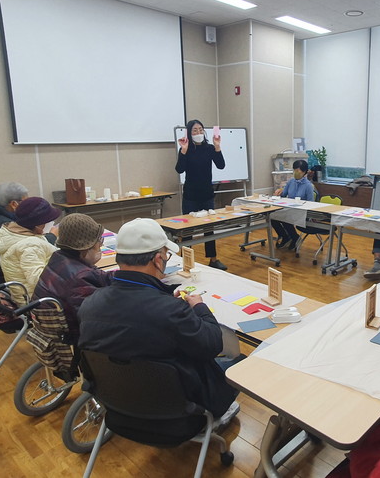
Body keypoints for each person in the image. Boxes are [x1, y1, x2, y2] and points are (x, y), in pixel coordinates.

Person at [78, 218, 239, 424]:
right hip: (177, 416)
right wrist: (199, 308)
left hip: (118, 404)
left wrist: (165, 301)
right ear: (157, 260)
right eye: (166, 256)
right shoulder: (171, 311)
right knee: (237, 362)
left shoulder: (90, 304)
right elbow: (213, 344)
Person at [33, 213, 113, 337]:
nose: (101, 245)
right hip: (72, 336)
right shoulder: (80, 277)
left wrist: (126, 275)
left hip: (50, 328)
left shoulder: (59, 258)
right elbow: (94, 318)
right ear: (86, 248)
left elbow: (97, 276)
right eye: (99, 241)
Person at [175, 119, 227, 270]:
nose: (198, 132)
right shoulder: (186, 149)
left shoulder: (209, 148)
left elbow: (221, 165)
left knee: (209, 228)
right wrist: (183, 151)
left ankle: (213, 259)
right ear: (189, 133)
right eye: (194, 130)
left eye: (200, 129)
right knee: (188, 230)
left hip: (207, 194)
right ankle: (186, 262)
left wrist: (217, 147)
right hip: (190, 195)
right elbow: (179, 169)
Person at [0, 197, 62, 304]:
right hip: (37, 302)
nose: (51, 224)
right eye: (48, 221)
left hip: (26, 295)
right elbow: (39, 280)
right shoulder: (29, 246)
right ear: (38, 224)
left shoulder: (12, 234)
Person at [272, 159, 315, 250]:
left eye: (297, 171)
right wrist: (279, 192)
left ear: (304, 172)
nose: (295, 173)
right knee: (272, 216)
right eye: (294, 170)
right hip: (290, 209)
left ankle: (294, 237)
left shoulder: (308, 185)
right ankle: (286, 237)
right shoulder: (291, 181)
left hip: (301, 212)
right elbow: (284, 194)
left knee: (285, 217)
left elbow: (311, 203)